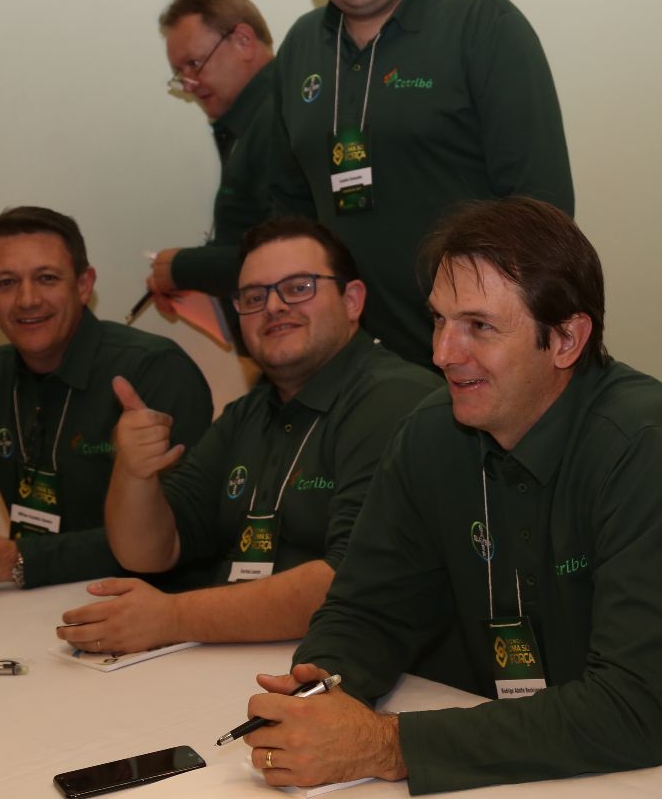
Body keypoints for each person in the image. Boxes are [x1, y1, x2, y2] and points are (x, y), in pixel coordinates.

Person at [237, 198, 662, 793]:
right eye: (439, 321)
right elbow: (367, 612)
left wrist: (386, 744)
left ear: (566, 339)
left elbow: (631, 712)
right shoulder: (431, 434)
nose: (442, 353)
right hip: (516, 765)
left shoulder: (647, 449)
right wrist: (317, 695)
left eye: (479, 327)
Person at [56, 217, 439, 655]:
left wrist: (172, 617)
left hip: (352, 669)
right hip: (240, 657)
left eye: (298, 288)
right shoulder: (249, 412)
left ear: (352, 300)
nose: (273, 307)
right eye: (254, 297)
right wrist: (133, 472)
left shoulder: (395, 400)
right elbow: (149, 552)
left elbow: (349, 583)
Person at [268, 0, 573, 367]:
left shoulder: (482, 23)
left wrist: (485, 342)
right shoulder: (299, 48)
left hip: (475, 357)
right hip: (353, 367)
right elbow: (288, 208)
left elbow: (542, 209)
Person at [0, 207, 213, 593]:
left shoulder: (155, 370)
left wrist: (12, 560)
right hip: (25, 607)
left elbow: (176, 532)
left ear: (84, 285)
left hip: (145, 605)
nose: (28, 299)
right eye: (6, 283)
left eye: (47, 278)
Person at [147, 0, 280, 346]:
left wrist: (183, 268)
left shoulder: (278, 120)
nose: (189, 84)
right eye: (180, 73)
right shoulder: (249, 124)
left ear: (243, 41)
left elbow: (285, 252)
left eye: (195, 64)